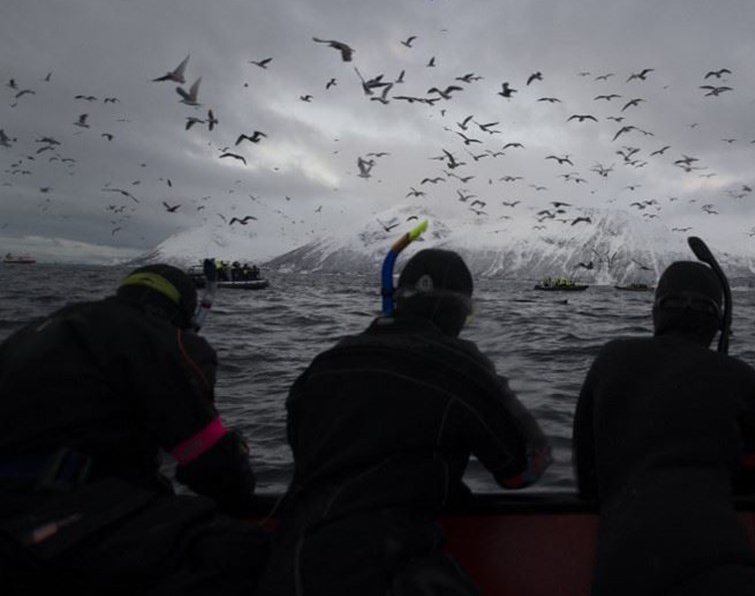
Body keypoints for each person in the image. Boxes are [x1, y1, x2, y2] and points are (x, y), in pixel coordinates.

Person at [258, 248, 551, 596]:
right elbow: (519, 471)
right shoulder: (460, 368)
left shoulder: (324, 364)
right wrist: (499, 394)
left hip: (285, 567)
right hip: (386, 571)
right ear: (456, 311)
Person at [0, 264, 264, 595]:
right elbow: (209, 461)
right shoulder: (167, 340)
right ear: (181, 310)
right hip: (51, 515)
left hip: (22, 505)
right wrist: (242, 495)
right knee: (247, 552)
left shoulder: (39, 329)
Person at [573, 261, 755, 596]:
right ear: (716, 323)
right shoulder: (741, 377)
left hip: (620, 572)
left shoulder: (610, 359)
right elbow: (750, 476)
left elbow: (587, 477)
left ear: (657, 312)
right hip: (724, 566)